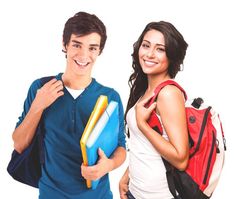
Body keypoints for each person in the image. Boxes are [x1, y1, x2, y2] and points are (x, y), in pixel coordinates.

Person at [12, 11, 126, 199]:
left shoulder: (110, 97)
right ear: (64, 45)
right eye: (76, 45)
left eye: (92, 48)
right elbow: (19, 144)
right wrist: (38, 105)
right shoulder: (41, 88)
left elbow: (121, 146)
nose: (83, 55)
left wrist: (109, 165)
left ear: (99, 51)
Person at [119, 21, 189, 199]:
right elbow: (146, 146)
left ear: (171, 56)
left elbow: (181, 159)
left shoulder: (169, 93)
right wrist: (127, 176)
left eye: (160, 49)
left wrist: (143, 124)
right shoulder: (145, 90)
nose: (149, 54)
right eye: (145, 45)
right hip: (136, 192)